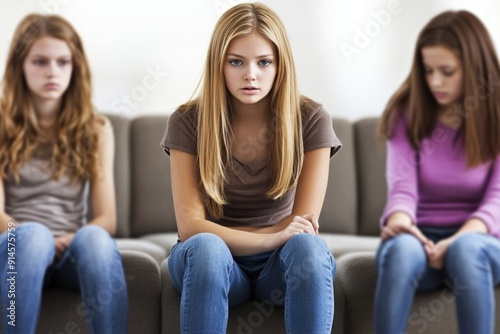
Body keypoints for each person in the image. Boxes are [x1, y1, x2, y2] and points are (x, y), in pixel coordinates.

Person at [161, 2, 341, 333]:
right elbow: (191, 228)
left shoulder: (312, 120)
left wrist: (279, 238)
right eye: (236, 62)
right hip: (216, 263)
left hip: (281, 266)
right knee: (205, 247)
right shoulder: (186, 122)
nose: (250, 75)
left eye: (264, 62)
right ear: (219, 65)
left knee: (307, 247)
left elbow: (301, 225)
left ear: (280, 65)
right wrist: (269, 238)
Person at [0, 14, 128, 333]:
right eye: (40, 61)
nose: (52, 72)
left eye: (62, 62)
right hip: (17, 247)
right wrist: (40, 236)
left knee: (96, 238)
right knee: (31, 238)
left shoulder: (97, 129)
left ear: (75, 67)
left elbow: (106, 218)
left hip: (70, 250)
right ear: (20, 66)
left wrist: (67, 240)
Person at [375, 10, 500, 334]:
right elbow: (402, 188)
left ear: (474, 70)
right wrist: (402, 226)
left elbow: (496, 201)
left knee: (466, 249)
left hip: (484, 241)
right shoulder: (405, 113)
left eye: (447, 71)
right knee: (401, 250)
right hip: (421, 237)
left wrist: (457, 240)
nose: (435, 82)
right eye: (428, 71)